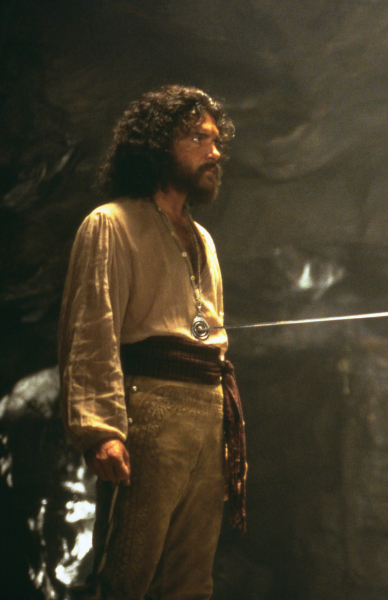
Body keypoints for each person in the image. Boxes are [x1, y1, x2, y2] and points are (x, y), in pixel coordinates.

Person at [58, 85, 246, 599]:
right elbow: (91, 331)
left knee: (190, 582)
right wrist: (100, 430)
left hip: (206, 414)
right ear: (159, 145)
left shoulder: (203, 240)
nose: (214, 152)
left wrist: (222, 430)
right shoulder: (111, 223)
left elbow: (207, 331)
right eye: (198, 138)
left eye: (216, 141)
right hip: (151, 411)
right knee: (127, 575)